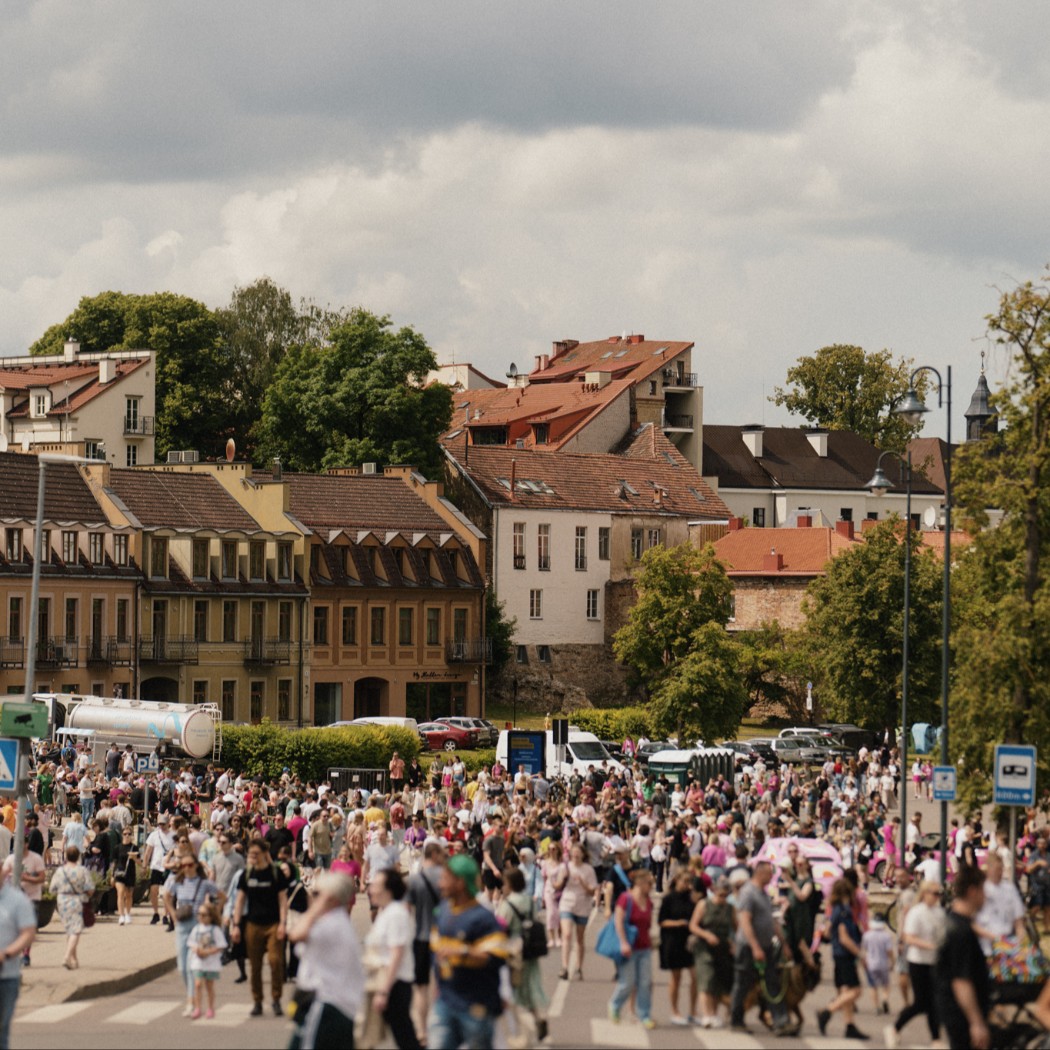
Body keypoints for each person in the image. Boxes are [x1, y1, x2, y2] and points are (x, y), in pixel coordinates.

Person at [429, 854, 509, 1049]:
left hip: (476, 1006)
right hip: (446, 1001)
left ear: (460, 882)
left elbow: (496, 956)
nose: (440, 884)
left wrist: (463, 951)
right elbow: (436, 959)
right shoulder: (442, 912)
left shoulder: (483, 919)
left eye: (445, 879)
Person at [287, 871, 363, 1049]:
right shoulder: (339, 922)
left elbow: (296, 934)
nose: (312, 897)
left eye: (316, 894)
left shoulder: (330, 924)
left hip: (327, 1004)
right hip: (342, 1007)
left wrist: (316, 908)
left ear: (331, 899)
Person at [728, 860, 798, 1036]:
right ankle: (736, 1019)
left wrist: (784, 944)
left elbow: (772, 921)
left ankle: (781, 1022)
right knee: (742, 984)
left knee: (772, 983)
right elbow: (744, 921)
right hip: (749, 947)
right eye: (769, 873)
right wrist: (755, 947)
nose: (772, 876)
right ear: (760, 873)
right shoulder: (748, 892)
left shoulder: (763, 893)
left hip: (766, 946)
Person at [231, 838, 289, 1017]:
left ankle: (276, 999)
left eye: (256, 854)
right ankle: (257, 1001)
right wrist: (236, 926)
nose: (253, 857)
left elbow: (282, 900)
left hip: (273, 925)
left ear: (265, 854)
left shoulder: (275, 873)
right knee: (255, 966)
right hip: (253, 925)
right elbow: (239, 901)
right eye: (251, 854)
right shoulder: (247, 874)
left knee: (275, 961)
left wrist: (283, 923)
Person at [366, 867, 423, 1049]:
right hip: (387, 983)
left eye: (376, 885)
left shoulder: (396, 914)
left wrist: (384, 991)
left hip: (395, 985)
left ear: (388, 890)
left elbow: (396, 953)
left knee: (405, 1038)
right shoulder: (387, 912)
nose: (371, 889)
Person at [936, 865, 991, 1050]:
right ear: (972, 891)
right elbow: (961, 981)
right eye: (983, 891)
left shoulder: (952, 921)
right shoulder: (961, 932)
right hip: (961, 1014)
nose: (986, 897)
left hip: (952, 1010)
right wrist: (976, 1022)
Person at [885, 880, 944, 1049]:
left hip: (934, 962)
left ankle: (936, 1040)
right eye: (934, 893)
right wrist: (930, 945)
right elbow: (908, 937)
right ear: (925, 894)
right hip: (918, 961)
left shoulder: (940, 913)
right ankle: (894, 1028)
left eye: (938, 893)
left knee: (933, 1002)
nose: (937, 897)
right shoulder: (917, 912)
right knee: (921, 1003)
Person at [498, 866, 549, 1044]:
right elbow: (535, 920)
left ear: (509, 884)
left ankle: (523, 1032)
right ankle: (539, 1018)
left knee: (515, 992)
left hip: (513, 951)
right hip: (530, 949)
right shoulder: (528, 901)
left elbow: (501, 927)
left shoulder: (507, 904)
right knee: (532, 986)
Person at [164, 851, 220, 1016]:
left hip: (198, 926)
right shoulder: (178, 881)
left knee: (191, 965)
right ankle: (192, 998)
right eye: (183, 865)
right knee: (182, 965)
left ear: (196, 865)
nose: (186, 868)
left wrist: (213, 913)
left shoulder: (204, 883)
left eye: (189, 865)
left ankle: (191, 1001)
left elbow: (220, 896)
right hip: (182, 925)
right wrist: (173, 916)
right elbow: (167, 896)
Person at [817, 877, 868, 1041]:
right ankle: (827, 1011)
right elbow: (844, 937)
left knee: (846, 991)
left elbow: (827, 932)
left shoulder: (836, 909)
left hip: (837, 954)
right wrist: (860, 954)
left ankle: (849, 1025)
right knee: (856, 990)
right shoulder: (845, 911)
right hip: (845, 955)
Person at [406, 841, 445, 1037]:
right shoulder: (446, 878)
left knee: (420, 987)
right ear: (435, 855)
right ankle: (439, 1028)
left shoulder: (414, 879)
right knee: (440, 985)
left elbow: (406, 910)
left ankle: (421, 1030)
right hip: (443, 938)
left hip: (420, 936)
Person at [608, 868, 656, 1029]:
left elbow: (648, 924)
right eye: (649, 883)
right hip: (629, 946)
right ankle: (615, 1005)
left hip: (644, 947)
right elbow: (618, 921)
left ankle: (644, 1015)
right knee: (627, 982)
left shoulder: (648, 901)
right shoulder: (625, 899)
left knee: (645, 982)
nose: (651, 886)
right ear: (640, 883)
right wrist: (623, 942)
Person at [689, 875, 735, 1028]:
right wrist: (706, 935)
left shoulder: (730, 908)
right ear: (714, 891)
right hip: (703, 947)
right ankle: (706, 1015)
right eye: (721, 894)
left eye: (726, 895)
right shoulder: (704, 905)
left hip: (721, 948)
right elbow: (693, 926)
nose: (723, 898)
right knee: (706, 979)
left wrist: (733, 943)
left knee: (716, 982)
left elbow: (737, 928)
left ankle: (714, 1014)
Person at [0, 858, 36, 1048]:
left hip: (6, 976)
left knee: (1, 1031)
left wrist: (6, 954)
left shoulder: (17, 900)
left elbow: (28, 933)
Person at [658, 867, 697, 1026]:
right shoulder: (669, 898)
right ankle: (675, 1010)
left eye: (689, 882)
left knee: (696, 976)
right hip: (672, 940)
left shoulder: (692, 899)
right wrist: (678, 923)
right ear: (676, 881)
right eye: (684, 881)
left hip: (689, 941)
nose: (687, 885)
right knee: (676, 977)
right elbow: (661, 921)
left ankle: (693, 1011)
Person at [557, 842, 597, 981]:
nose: (575, 855)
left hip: (582, 905)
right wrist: (562, 878)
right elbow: (557, 885)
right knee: (567, 935)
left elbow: (592, 891)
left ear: (583, 854)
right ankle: (565, 967)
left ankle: (579, 968)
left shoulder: (588, 870)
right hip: (567, 903)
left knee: (579, 938)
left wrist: (582, 882)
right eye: (573, 852)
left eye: (578, 852)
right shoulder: (565, 867)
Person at [52, 845, 95, 970]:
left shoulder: (60, 871)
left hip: (62, 901)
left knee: (70, 930)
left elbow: (52, 888)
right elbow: (90, 888)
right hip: (77, 900)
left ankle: (74, 960)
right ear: (78, 857)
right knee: (76, 931)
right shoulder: (82, 871)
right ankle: (66, 956)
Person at [187, 900, 227, 1020]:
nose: (201, 917)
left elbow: (221, 946)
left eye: (204, 915)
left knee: (209, 986)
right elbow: (191, 942)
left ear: (211, 916)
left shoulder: (215, 930)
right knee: (198, 984)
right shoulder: (197, 929)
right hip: (198, 961)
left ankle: (210, 1008)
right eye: (199, 914)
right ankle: (198, 1008)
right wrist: (196, 950)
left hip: (211, 963)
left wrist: (208, 952)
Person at [142, 813, 177, 926]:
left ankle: (166, 914)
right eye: (160, 824)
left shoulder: (174, 835)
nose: (161, 826)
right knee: (154, 890)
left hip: (169, 866)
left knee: (167, 893)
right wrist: (144, 865)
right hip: (156, 866)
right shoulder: (154, 835)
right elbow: (148, 851)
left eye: (163, 824)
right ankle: (155, 912)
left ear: (168, 824)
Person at [862, 912, 895, 1015]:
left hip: (871, 964)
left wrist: (863, 961)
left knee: (873, 986)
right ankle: (885, 999)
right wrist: (892, 962)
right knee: (886, 985)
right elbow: (889, 951)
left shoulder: (867, 935)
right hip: (883, 964)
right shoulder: (886, 936)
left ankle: (876, 1006)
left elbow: (864, 949)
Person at [112, 825, 138, 925]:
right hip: (119, 872)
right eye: (125, 834)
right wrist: (112, 875)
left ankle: (128, 913)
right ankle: (121, 915)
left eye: (129, 834)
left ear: (132, 835)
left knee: (129, 895)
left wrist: (134, 858)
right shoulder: (117, 848)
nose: (127, 836)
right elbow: (114, 862)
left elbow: (140, 862)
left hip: (130, 873)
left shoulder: (134, 847)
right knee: (120, 892)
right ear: (122, 835)